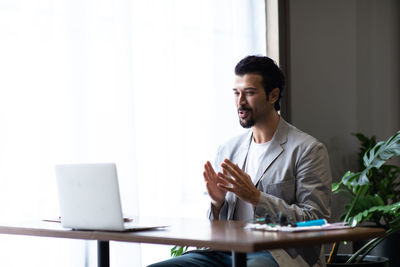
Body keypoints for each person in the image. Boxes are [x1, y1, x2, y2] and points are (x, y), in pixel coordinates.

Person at [148, 55, 332, 267]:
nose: (240, 102)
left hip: (277, 255)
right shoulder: (228, 149)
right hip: (227, 252)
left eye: (250, 93)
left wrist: (256, 197)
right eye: (236, 93)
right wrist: (217, 204)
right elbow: (215, 226)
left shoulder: (307, 149)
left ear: (273, 95)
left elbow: (315, 220)